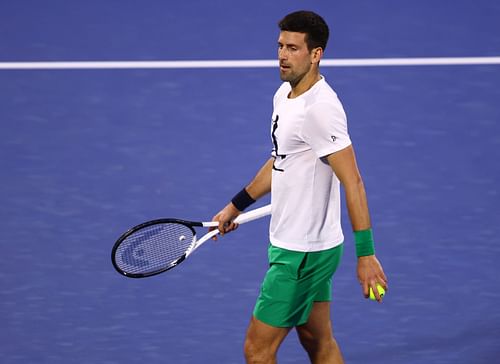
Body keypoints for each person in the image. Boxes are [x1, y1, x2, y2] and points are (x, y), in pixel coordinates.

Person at [211, 10, 388, 364]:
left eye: (293, 48)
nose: (282, 55)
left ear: (316, 54)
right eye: (280, 46)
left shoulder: (320, 110)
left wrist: (366, 254)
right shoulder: (284, 96)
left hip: (302, 254)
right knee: (317, 341)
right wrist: (235, 206)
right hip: (297, 244)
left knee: (257, 350)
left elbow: (352, 180)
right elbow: (281, 161)